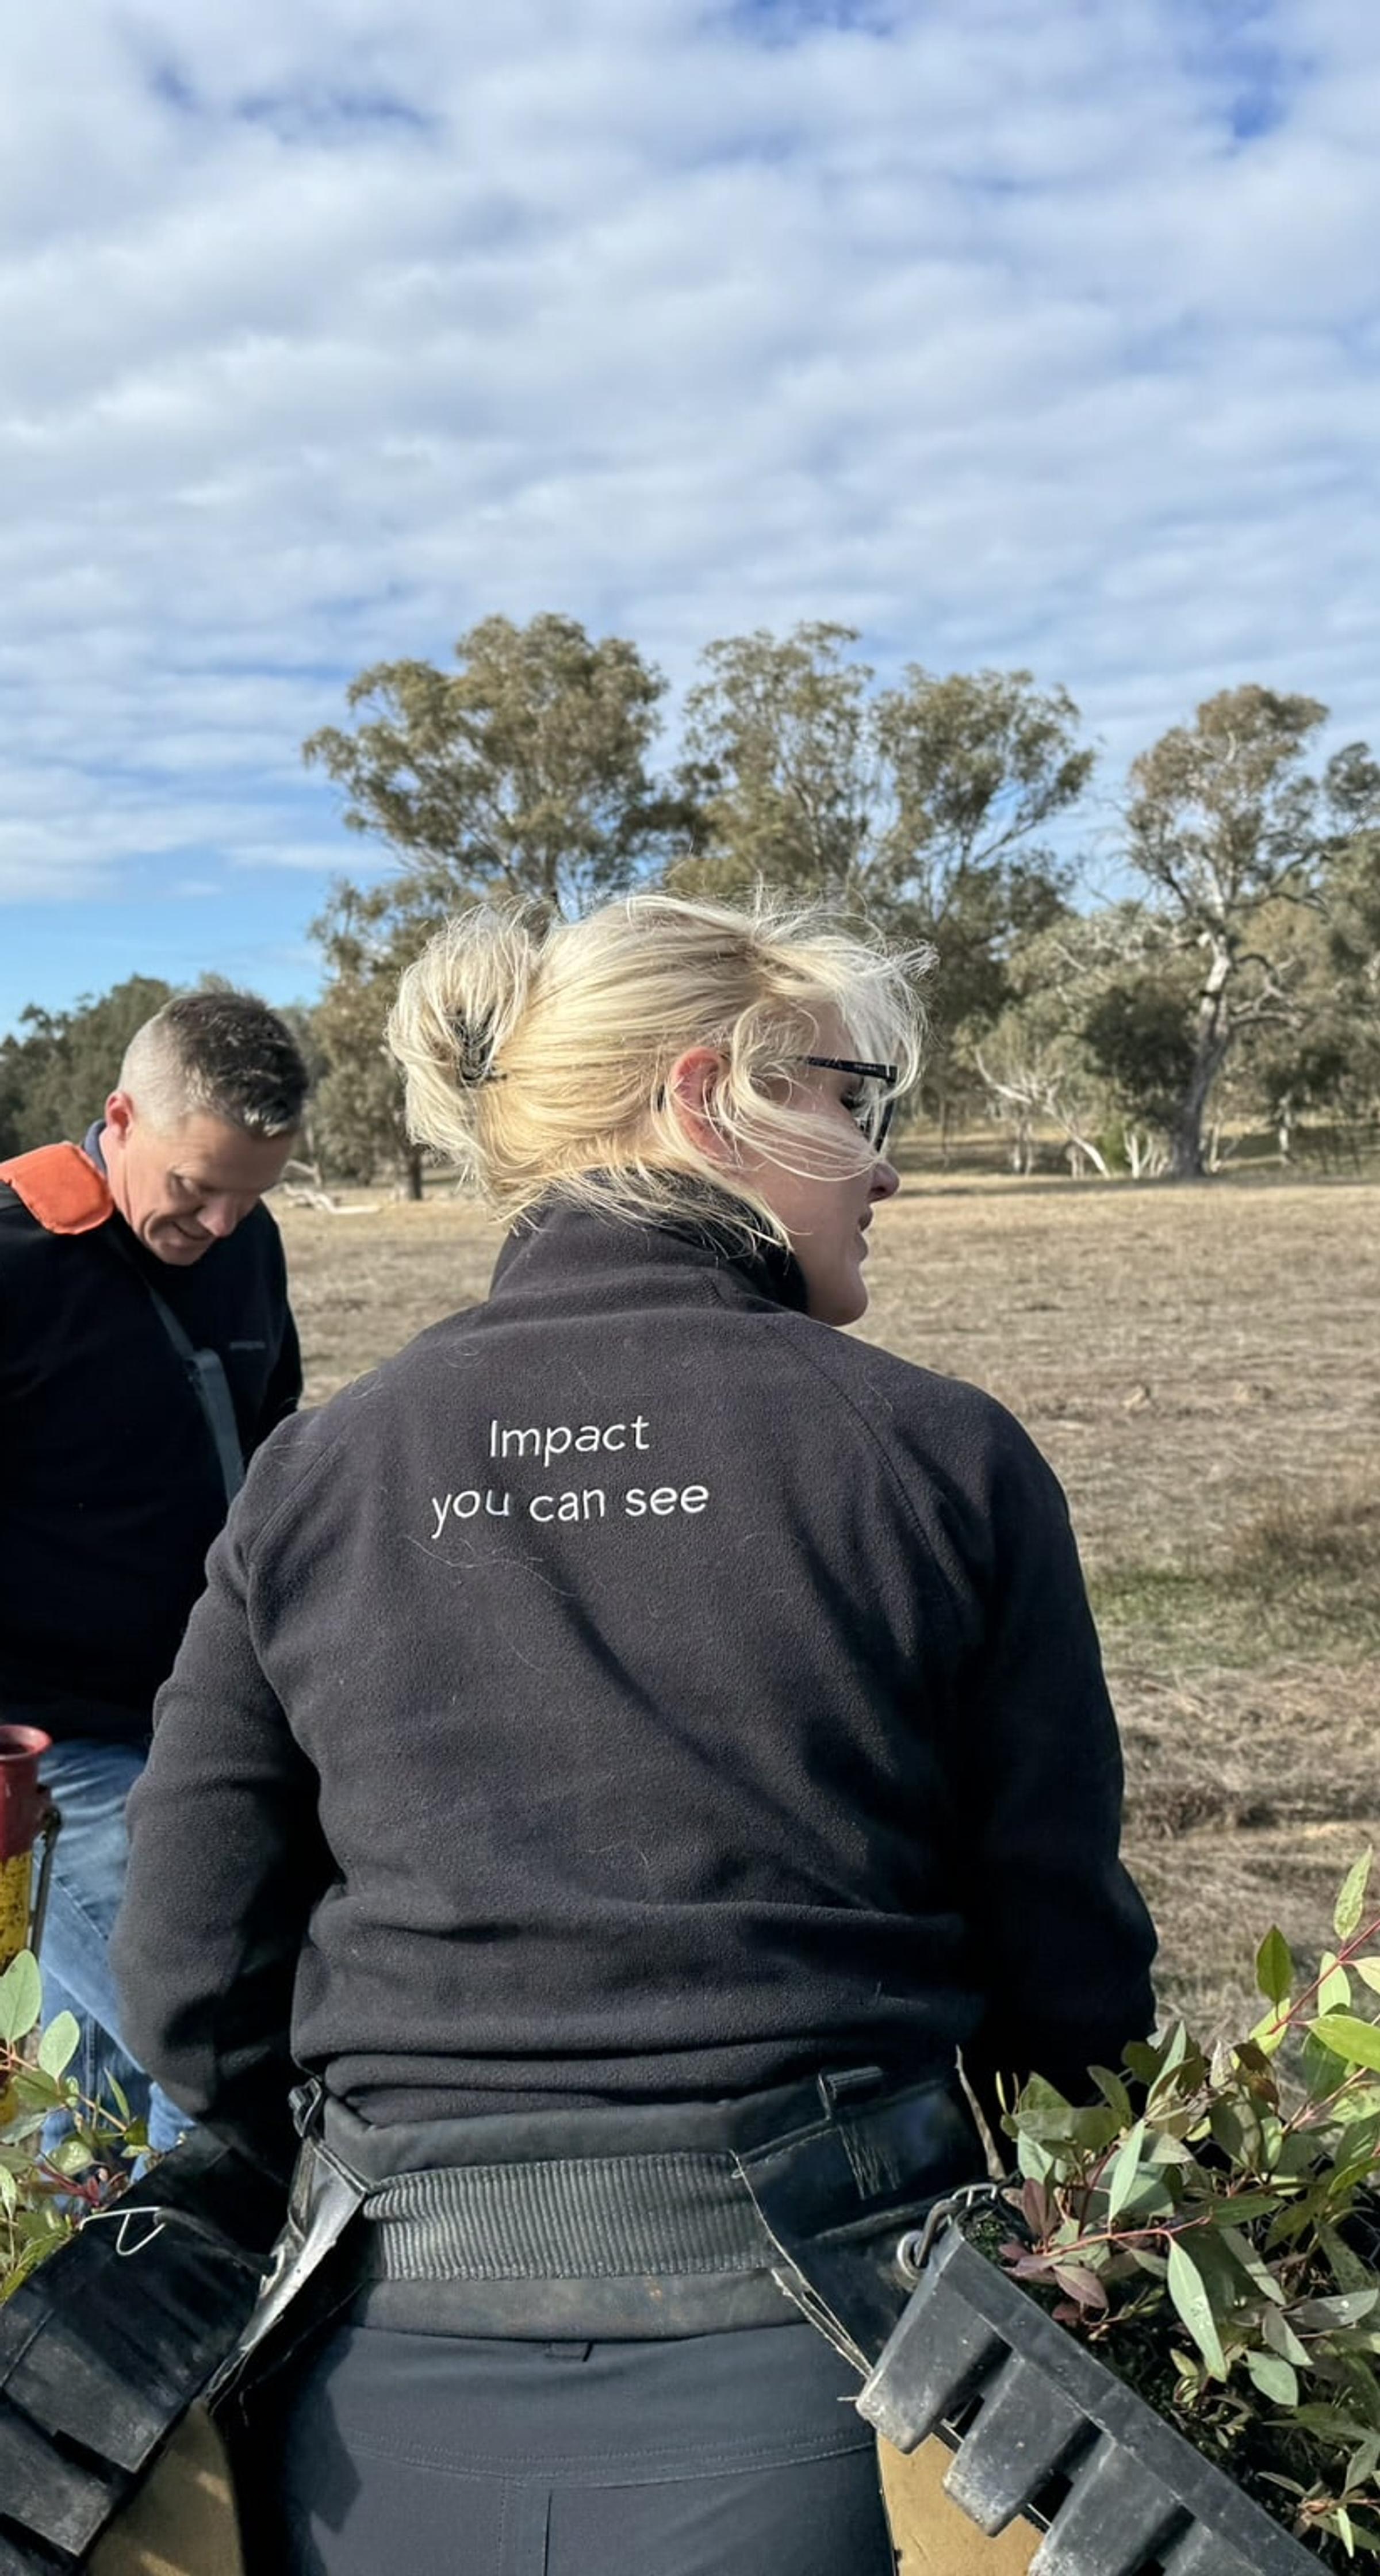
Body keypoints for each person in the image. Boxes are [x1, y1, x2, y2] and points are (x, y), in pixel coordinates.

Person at [113, 895, 1155, 2575]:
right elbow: (1068, 1963)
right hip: (848, 2390)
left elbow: (180, 1964)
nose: (880, 1164)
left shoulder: (321, 1471)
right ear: (702, 1095)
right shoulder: (936, 1455)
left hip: (371, 2413)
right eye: (848, 1099)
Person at [0, 989, 307, 2152]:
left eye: (252, 1193)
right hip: (56, 1744)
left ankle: (62, 2308)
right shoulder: (14, 1252)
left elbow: (273, 1448)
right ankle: (223, 2319)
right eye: (194, 1186)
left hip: (209, 1717)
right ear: (120, 1117)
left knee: (85, 2078)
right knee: (205, 2038)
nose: (223, 1223)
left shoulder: (248, 1246)